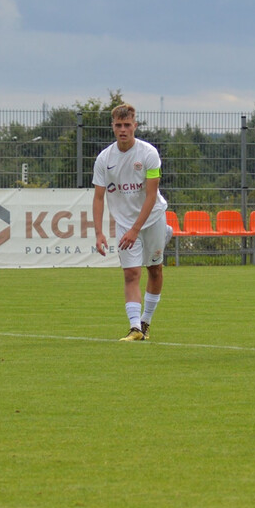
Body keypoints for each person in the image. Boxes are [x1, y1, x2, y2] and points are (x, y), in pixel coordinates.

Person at [92, 103, 173, 341]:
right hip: (126, 224)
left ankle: (146, 322)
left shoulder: (148, 153)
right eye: (119, 125)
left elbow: (151, 195)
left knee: (155, 269)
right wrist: (99, 233)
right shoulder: (104, 159)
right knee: (131, 274)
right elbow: (98, 197)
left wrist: (136, 230)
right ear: (113, 127)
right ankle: (135, 328)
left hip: (153, 218)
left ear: (135, 125)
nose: (123, 129)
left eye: (127, 125)